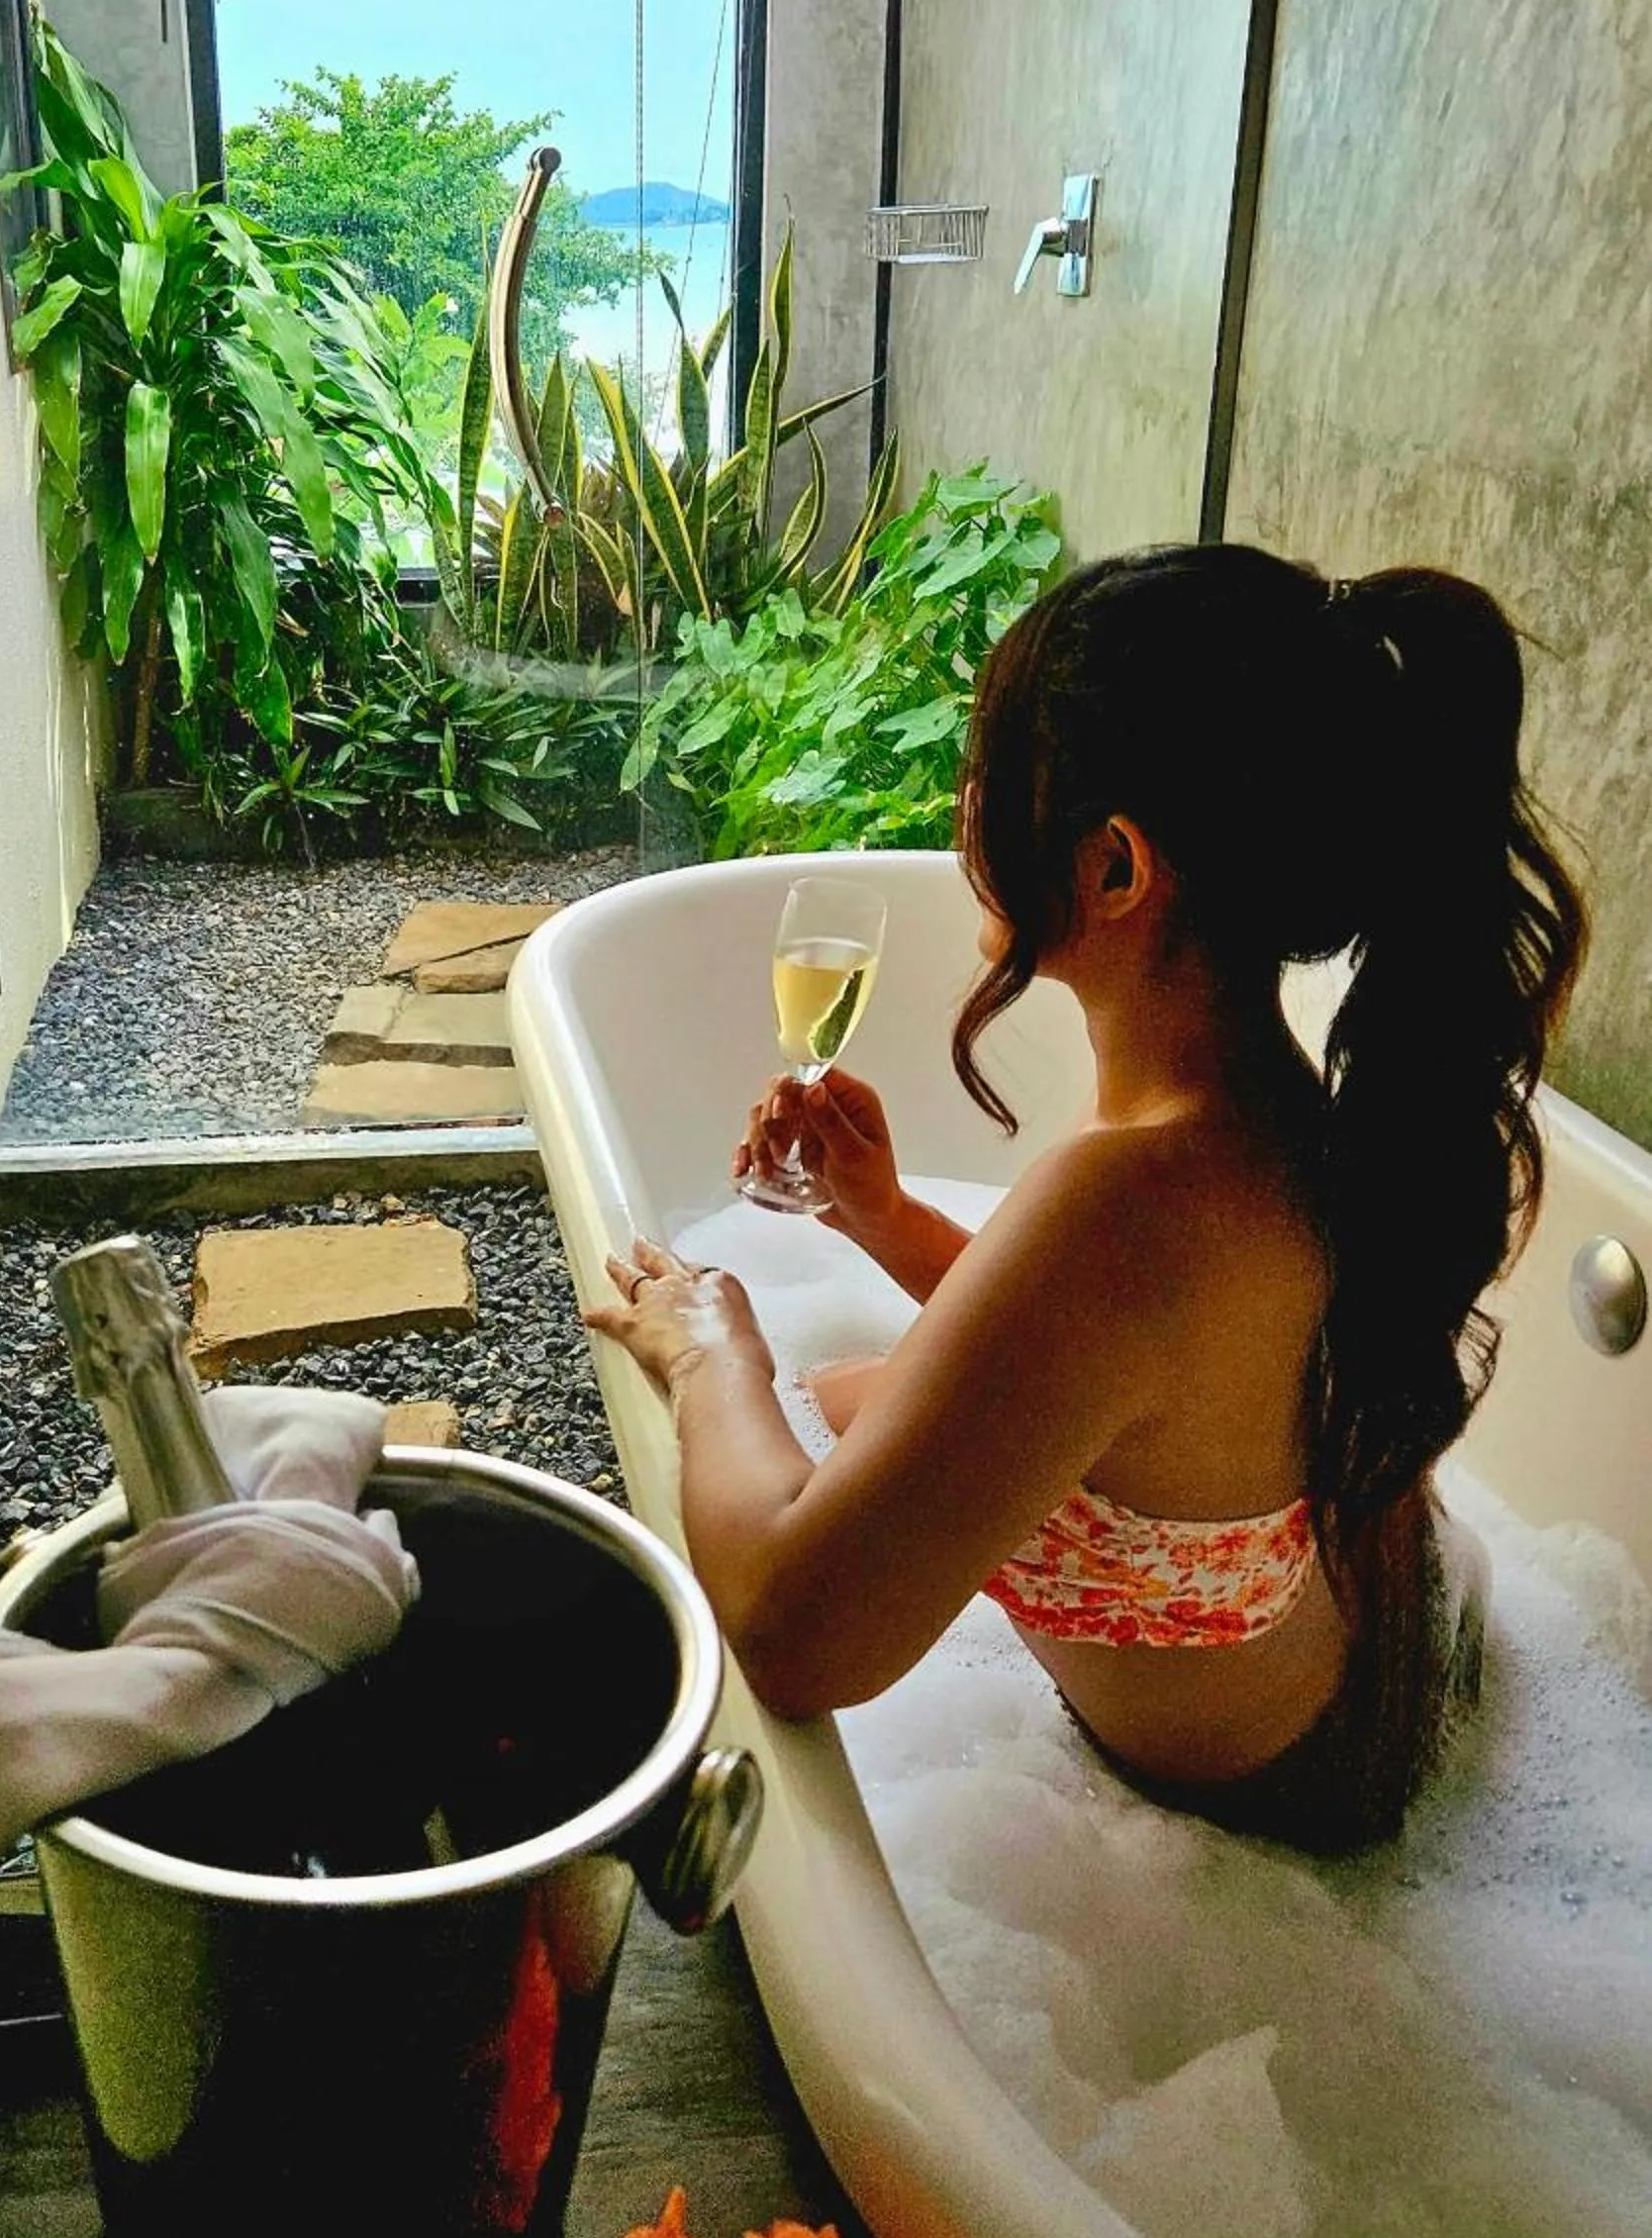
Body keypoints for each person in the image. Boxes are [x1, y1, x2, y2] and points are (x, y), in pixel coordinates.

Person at [584, 548, 1586, 1850]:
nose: (961, 809)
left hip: (1286, 1803)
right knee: (850, 1395)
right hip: (1367, 1650)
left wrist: (710, 1334)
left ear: (1112, 869)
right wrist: (881, 1215)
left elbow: (789, 1632)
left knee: (803, 1400)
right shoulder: (1258, 1113)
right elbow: (1114, 1362)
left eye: (981, 772)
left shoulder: (1134, 1196)